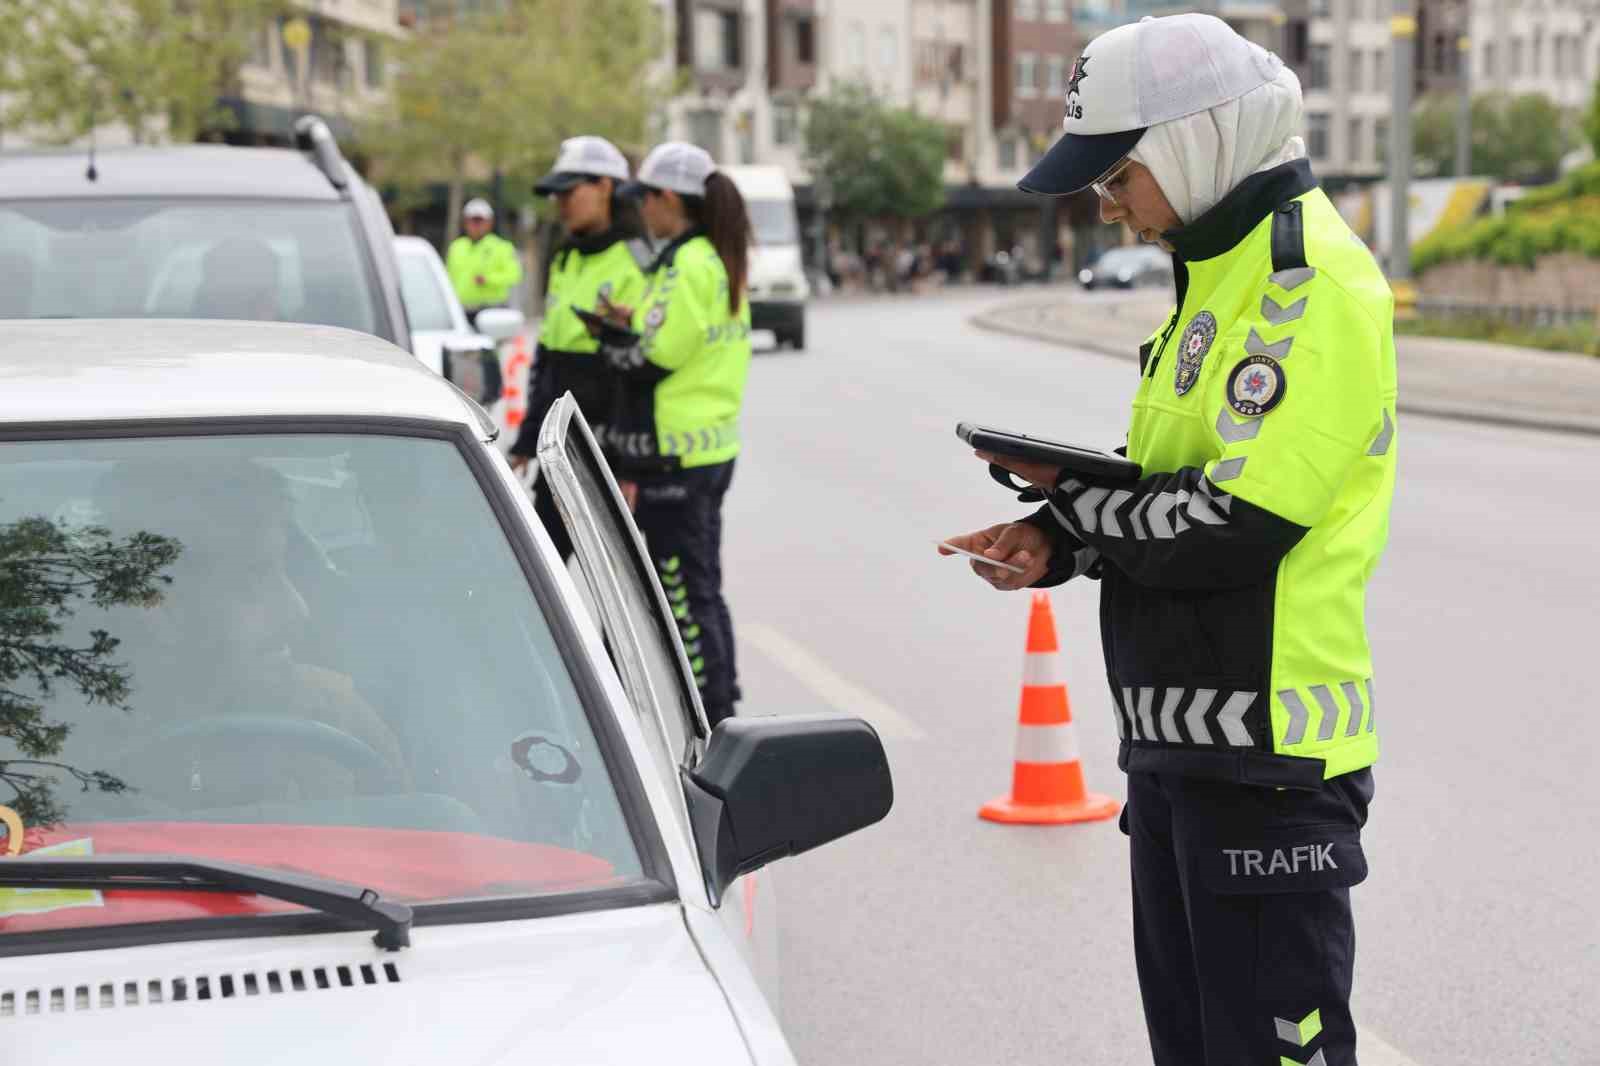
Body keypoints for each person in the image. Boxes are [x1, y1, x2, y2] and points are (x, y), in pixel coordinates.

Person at [940, 15, 1397, 1066]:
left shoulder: (1304, 284)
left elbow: (1235, 523)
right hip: (1185, 746)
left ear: (1192, 143)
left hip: (1268, 758)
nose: (1111, 210)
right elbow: (1168, 488)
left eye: (1117, 178)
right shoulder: (1217, 275)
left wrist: (1082, 519)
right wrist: (1056, 533)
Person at [595, 142, 753, 728]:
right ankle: (720, 705)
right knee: (698, 584)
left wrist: (613, 345)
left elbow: (659, 354)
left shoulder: (688, 264)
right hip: (702, 449)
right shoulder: (707, 259)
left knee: (685, 592)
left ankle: (711, 718)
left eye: (645, 199)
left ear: (669, 199)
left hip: (678, 457)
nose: (640, 212)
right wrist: (628, 326)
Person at [507, 136, 650, 559]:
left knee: (620, 595)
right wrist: (526, 439)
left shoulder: (640, 261)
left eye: (570, 192)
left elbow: (641, 376)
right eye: (557, 195)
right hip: (560, 446)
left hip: (610, 450)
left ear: (605, 187)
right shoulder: (567, 257)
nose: (561, 204)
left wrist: (628, 466)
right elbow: (547, 358)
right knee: (541, 569)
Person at [446, 198, 523, 327]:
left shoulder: (502, 247)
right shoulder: (456, 247)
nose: (476, 225)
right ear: (465, 222)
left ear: (489, 223)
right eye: (473, 220)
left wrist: (488, 279)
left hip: (492, 311)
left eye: (480, 221)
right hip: (461, 311)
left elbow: (514, 275)